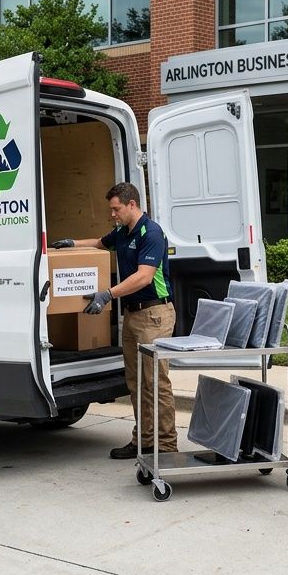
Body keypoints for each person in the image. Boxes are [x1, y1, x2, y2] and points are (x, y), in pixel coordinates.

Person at [50, 182, 177, 459]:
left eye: (116, 209)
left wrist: (107, 294)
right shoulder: (122, 231)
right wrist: (72, 244)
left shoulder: (150, 232)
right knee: (135, 382)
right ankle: (143, 441)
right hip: (132, 314)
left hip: (154, 315)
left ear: (132, 205)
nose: (113, 214)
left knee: (155, 382)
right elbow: (99, 243)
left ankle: (166, 446)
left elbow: (144, 276)